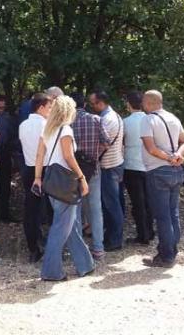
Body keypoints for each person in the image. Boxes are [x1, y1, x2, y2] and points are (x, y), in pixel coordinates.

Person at [32, 95, 95, 281]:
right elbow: (68, 156)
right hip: (66, 182)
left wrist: (37, 178)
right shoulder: (65, 129)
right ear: (69, 110)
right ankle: (51, 271)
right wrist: (82, 177)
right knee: (62, 227)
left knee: (70, 226)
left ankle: (85, 264)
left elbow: (39, 155)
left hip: (52, 181)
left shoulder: (47, 128)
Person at [140, 90, 184, 268]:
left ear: (147, 103)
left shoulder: (147, 120)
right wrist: (177, 155)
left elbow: (151, 148)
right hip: (176, 171)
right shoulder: (173, 118)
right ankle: (171, 251)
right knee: (173, 214)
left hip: (158, 170)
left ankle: (166, 256)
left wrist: (169, 157)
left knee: (162, 217)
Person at [70, 93, 106, 259]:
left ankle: (78, 248)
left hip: (74, 171)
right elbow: (106, 142)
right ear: (84, 104)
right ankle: (99, 248)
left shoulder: (67, 123)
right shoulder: (96, 119)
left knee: (75, 208)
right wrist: (95, 156)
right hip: (94, 169)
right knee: (95, 209)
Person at [89, 89, 124, 252]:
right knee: (112, 202)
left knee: (112, 204)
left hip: (109, 166)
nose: (91, 106)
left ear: (100, 103)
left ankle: (115, 239)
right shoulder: (113, 115)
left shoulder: (107, 119)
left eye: (92, 103)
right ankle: (112, 235)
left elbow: (103, 144)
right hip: (115, 163)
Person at [18, 93, 52, 262]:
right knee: (53, 208)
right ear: (41, 108)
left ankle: (33, 247)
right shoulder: (47, 125)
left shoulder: (23, 125)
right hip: (46, 168)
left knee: (31, 210)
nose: (51, 110)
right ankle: (54, 246)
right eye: (49, 107)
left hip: (28, 169)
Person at [123, 90, 154, 245]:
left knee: (137, 203)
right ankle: (150, 230)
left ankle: (142, 235)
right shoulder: (150, 120)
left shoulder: (125, 122)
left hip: (131, 165)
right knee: (149, 200)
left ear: (129, 104)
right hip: (149, 164)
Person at [0, 94, 18, 223]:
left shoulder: (9, 119)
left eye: (3, 107)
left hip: (5, 154)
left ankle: (5, 214)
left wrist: (12, 154)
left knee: (5, 186)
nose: (1, 109)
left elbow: (14, 138)